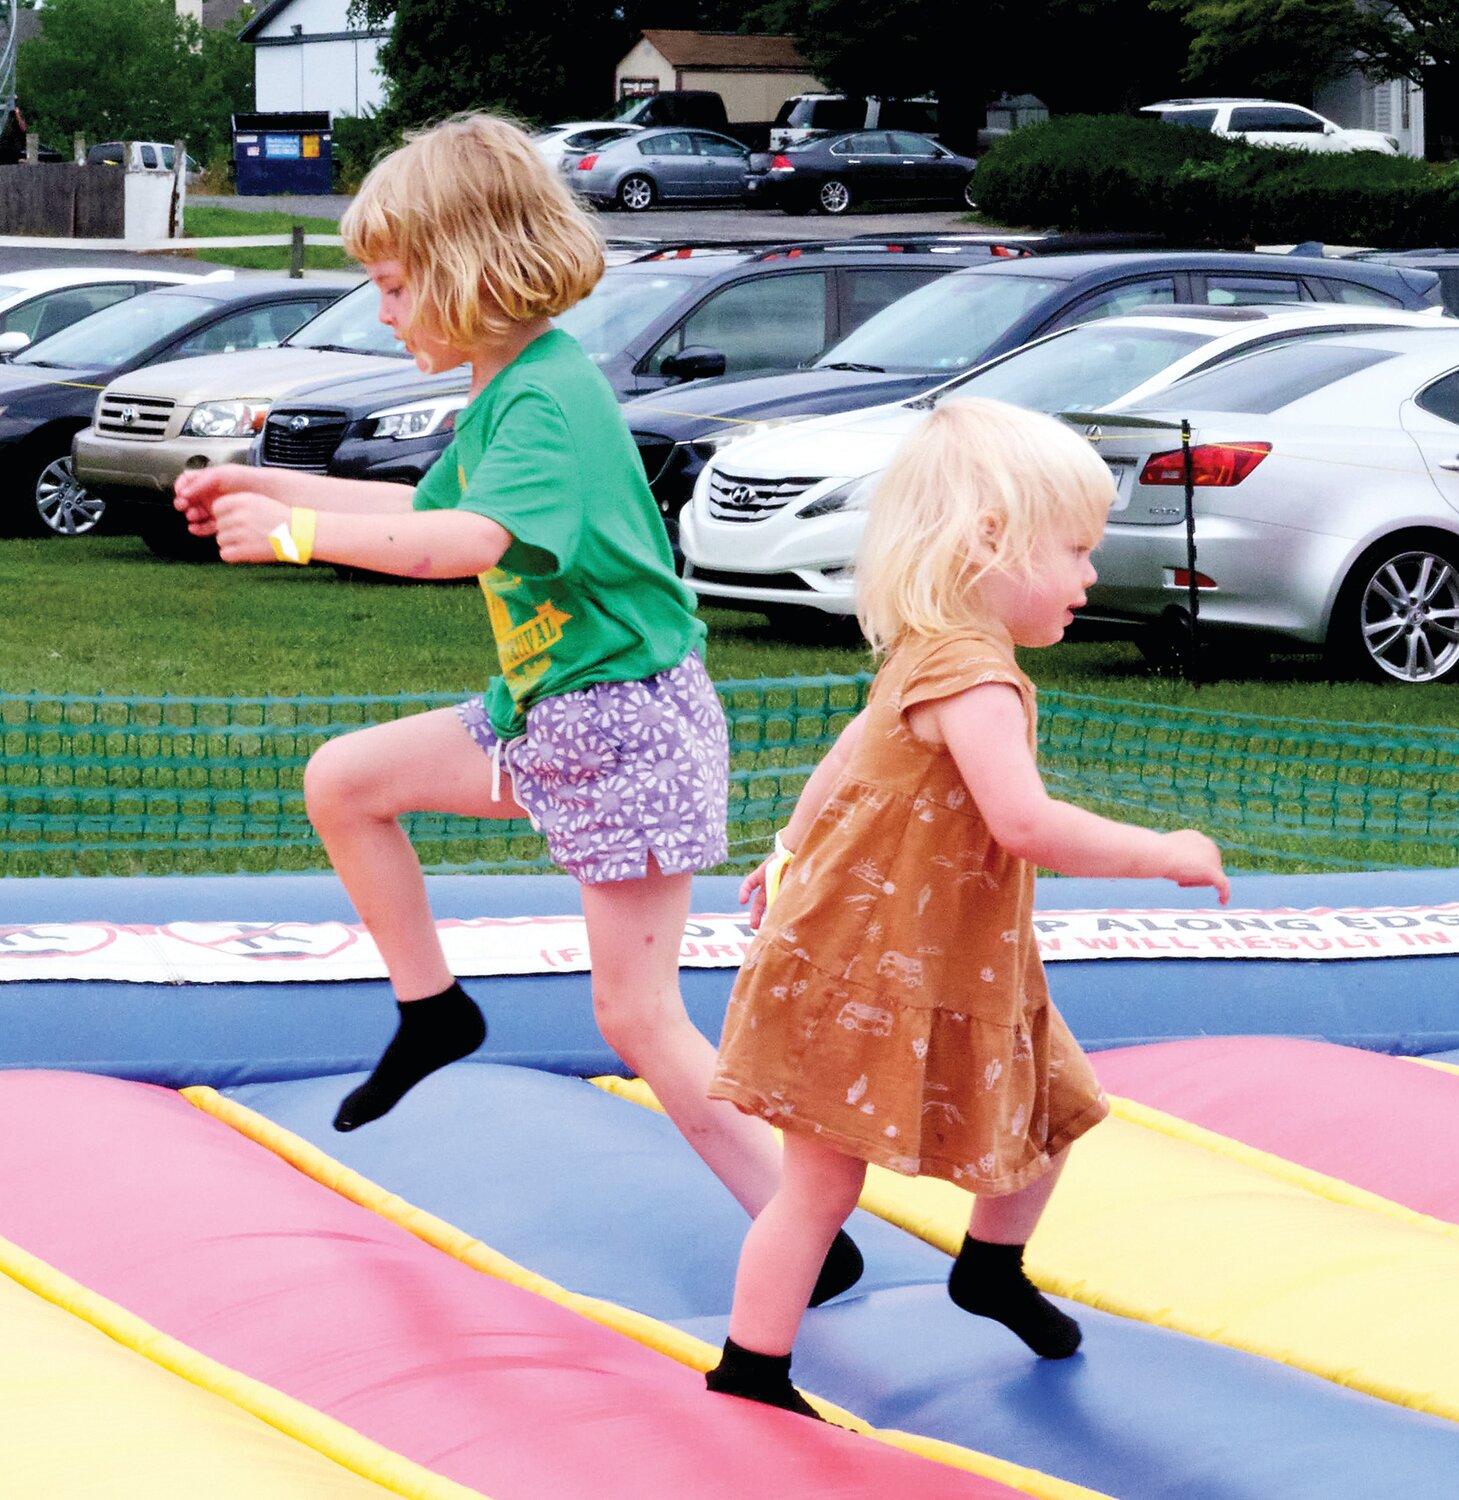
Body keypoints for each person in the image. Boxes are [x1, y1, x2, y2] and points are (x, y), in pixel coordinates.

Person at [172, 112, 862, 1306]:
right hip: (548, 713)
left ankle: (802, 1225)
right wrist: (262, 478)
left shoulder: (545, 401)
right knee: (345, 780)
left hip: (629, 727)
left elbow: (462, 543)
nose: (381, 311)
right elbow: (411, 501)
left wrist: (290, 536)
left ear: (463, 269)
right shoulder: (506, 391)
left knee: (638, 1018)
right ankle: (433, 1010)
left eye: (392, 286)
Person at [702, 398, 1230, 1418]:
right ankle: (752, 1368)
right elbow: (1024, 823)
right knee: (820, 1186)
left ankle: (988, 1267)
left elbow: (850, 755)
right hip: (875, 961)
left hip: (950, 952)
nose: (1089, 576)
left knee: (1056, 1106)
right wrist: (1162, 851)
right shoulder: (973, 673)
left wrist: (792, 848)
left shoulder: (931, 647)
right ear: (992, 541)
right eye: (1075, 550)